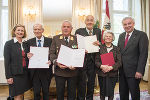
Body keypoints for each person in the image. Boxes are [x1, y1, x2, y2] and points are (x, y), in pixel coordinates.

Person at [118, 17, 149, 100]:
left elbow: (143, 54)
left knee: (134, 93)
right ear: (123, 25)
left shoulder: (141, 35)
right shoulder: (121, 36)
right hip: (122, 70)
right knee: (123, 93)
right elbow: (118, 52)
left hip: (134, 71)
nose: (127, 26)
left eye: (129, 23)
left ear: (133, 24)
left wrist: (140, 70)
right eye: (125, 24)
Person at [50, 20, 78, 100]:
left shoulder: (76, 39)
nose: (66, 28)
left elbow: (80, 53)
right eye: (64, 27)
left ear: (71, 29)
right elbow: (52, 53)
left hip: (73, 71)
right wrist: (56, 63)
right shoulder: (56, 38)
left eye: (68, 27)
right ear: (61, 28)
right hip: (60, 71)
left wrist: (76, 64)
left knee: (72, 94)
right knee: (60, 93)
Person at [75, 15, 101, 100]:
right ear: (85, 22)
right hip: (82, 61)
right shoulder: (79, 31)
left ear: (93, 22)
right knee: (81, 82)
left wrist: (99, 44)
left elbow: (101, 44)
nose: (90, 22)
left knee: (91, 83)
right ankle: (80, 98)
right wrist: (79, 47)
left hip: (93, 61)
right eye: (88, 20)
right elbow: (74, 45)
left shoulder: (98, 31)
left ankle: (90, 98)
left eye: (91, 20)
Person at [4, 24, 32, 100]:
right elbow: (7, 62)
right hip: (15, 74)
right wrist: (8, 76)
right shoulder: (9, 44)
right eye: (18, 30)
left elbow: (27, 57)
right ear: (14, 31)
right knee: (17, 95)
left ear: (24, 32)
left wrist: (29, 56)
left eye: (22, 30)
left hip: (25, 73)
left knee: (22, 93)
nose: (20, 32)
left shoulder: (25, 44)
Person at [27, 24, 53, 100]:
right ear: (33, 31)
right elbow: (26, 54)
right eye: (35, 29)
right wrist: (27, 55)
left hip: (46, 71)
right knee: (36, 92)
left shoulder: (50, 40)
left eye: (39, 29)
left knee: (46, 91)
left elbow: (53, 53)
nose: (37, 31)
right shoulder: (29, 42)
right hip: (34, 72)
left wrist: (51, 60)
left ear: (42, 30)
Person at [95, 31, 121, 100]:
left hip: (113, 74)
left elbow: (119, 62)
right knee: (102, 92)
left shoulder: (117, 48)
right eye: (106, 36)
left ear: (112, 38)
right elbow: (96, 61)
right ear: (104, 38)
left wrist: (111, 67)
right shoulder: (99, 48)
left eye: (110, 36)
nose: (108, 37)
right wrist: (102, 66)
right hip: (102, 73)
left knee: (111, 91)